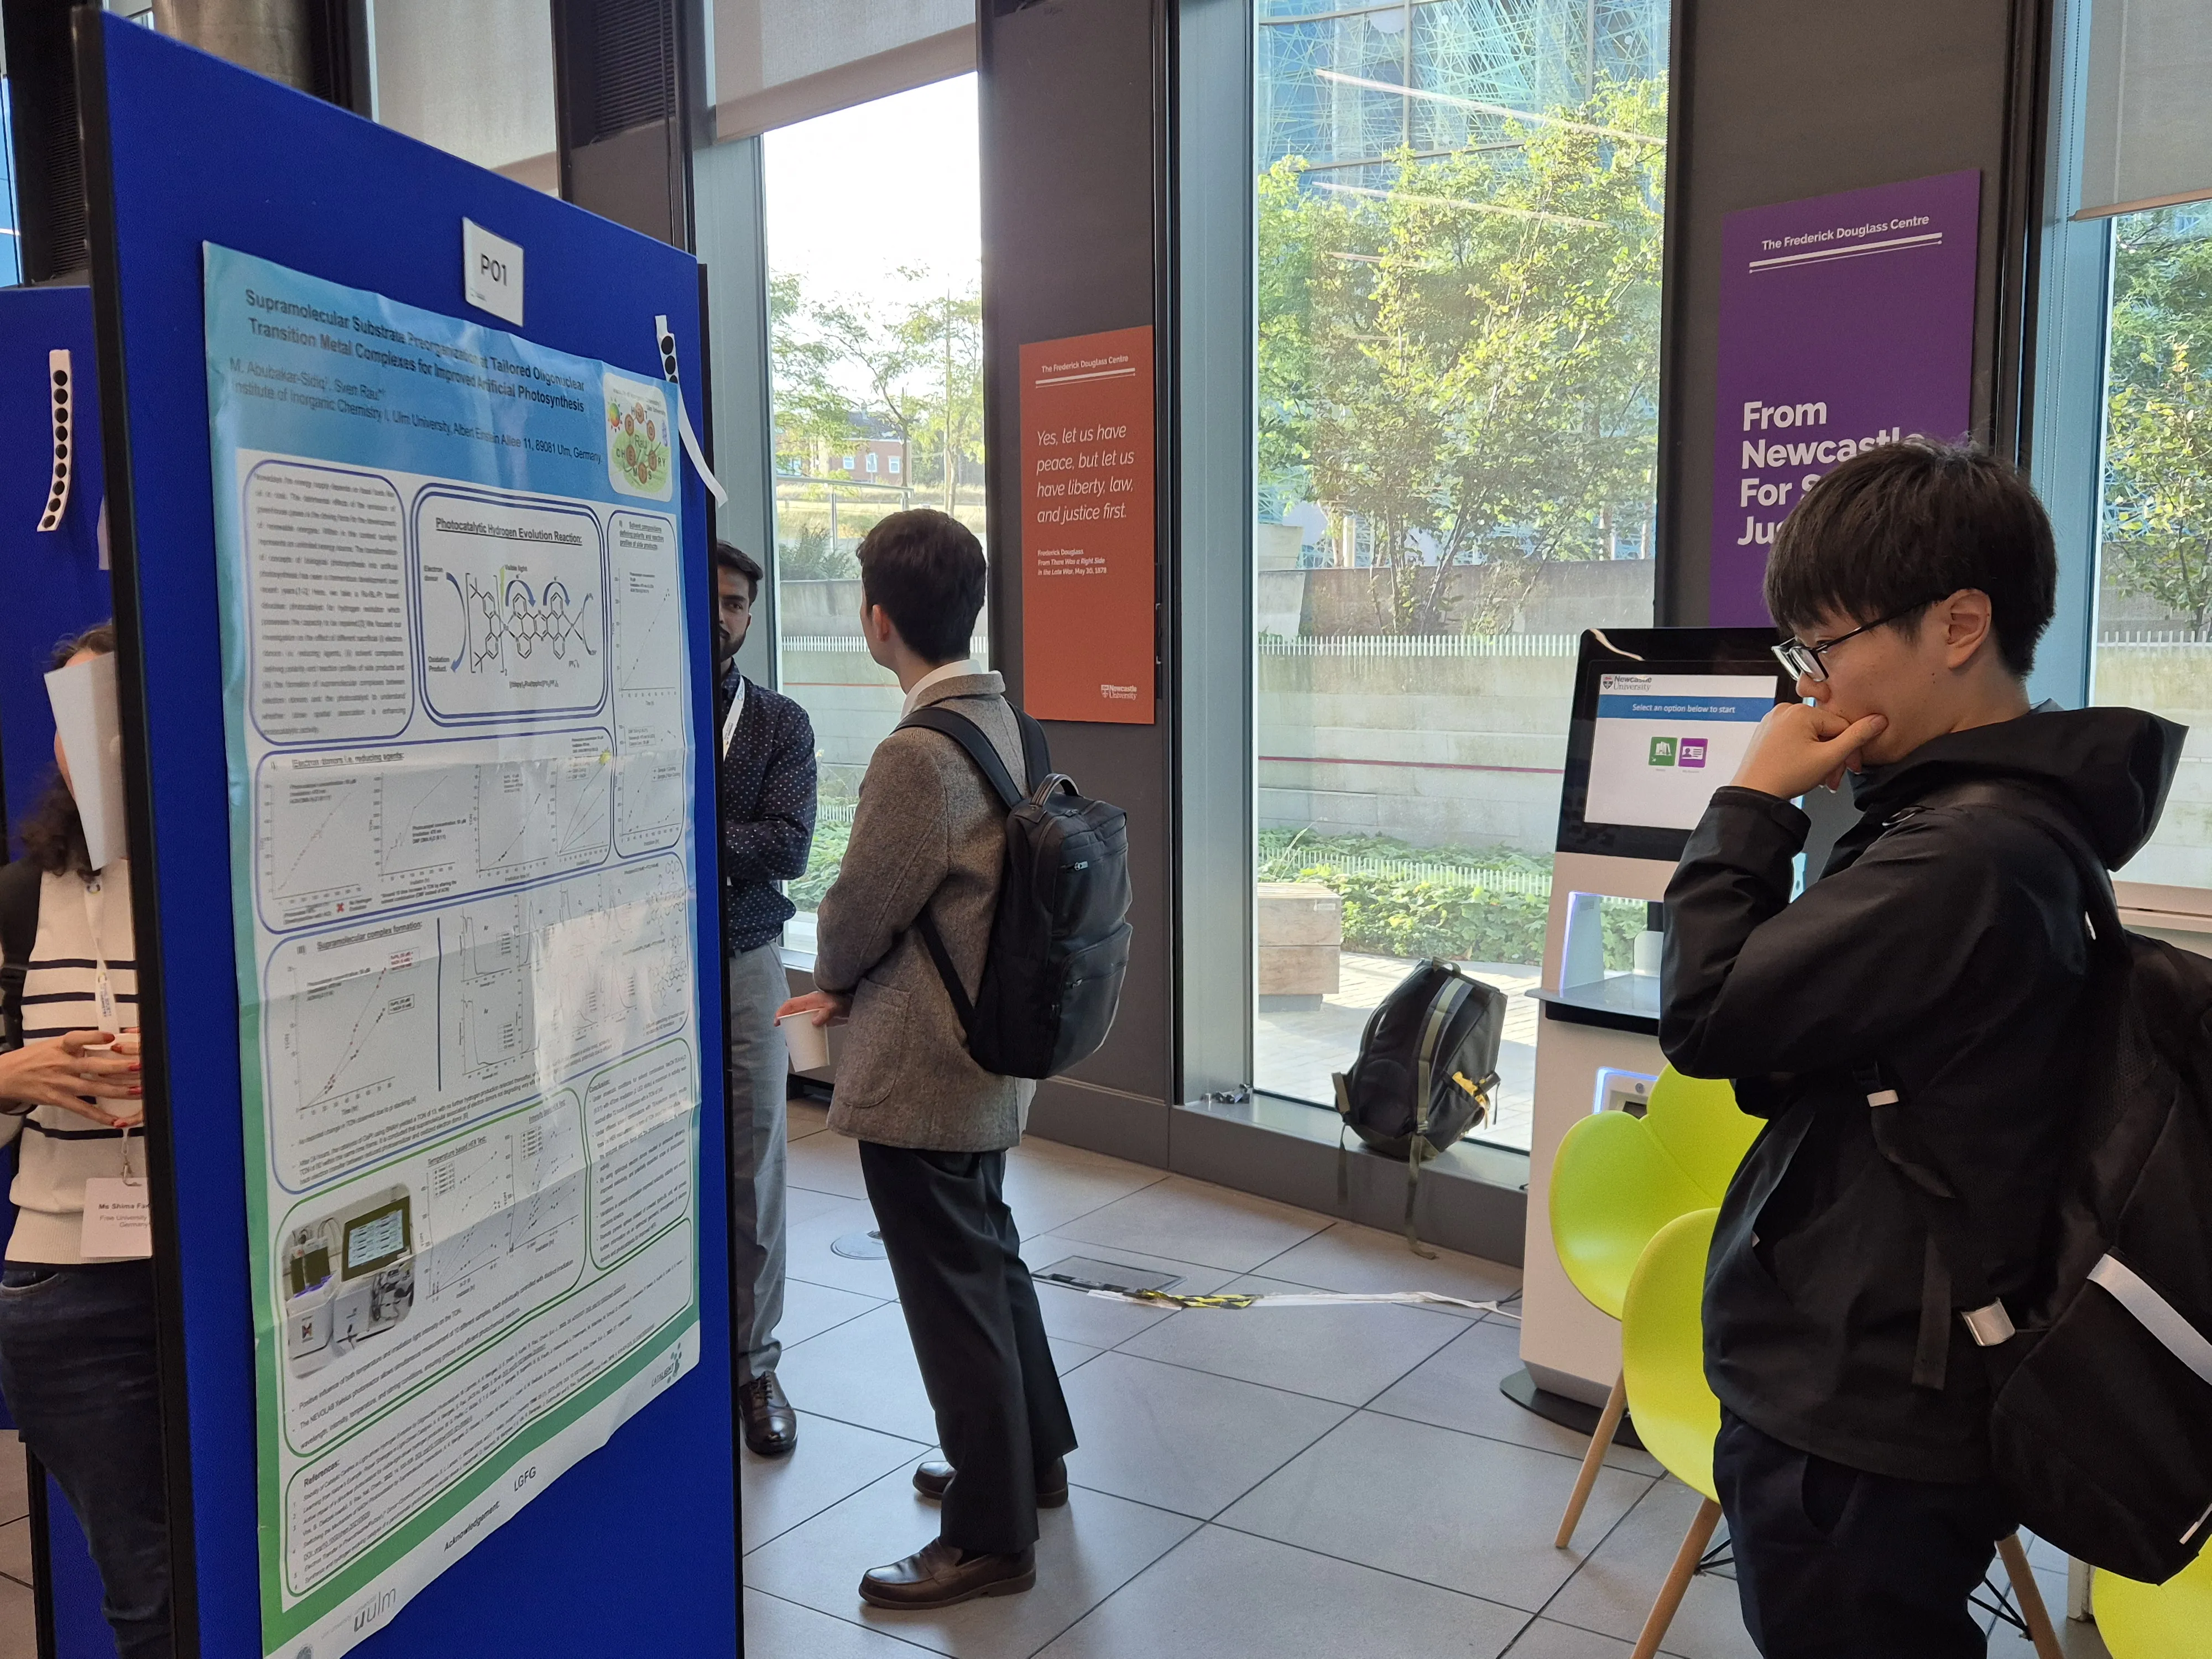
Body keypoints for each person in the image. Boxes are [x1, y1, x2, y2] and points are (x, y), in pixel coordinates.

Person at [1660, 441, 2183, 1656]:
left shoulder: (1960, 851)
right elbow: (1798, 1047)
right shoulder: (1998, 822)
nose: (1810, 695)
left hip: (1864, 1397)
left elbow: (1705, 1017)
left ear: (1957, 624)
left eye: (1824, 650)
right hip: (1898, 1359)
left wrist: (1751, 804)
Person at [779, 508, 1076, 1611]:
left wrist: (837, 974)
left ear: (877, 619)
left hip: (926, 1070)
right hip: (993, 1048)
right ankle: (1027, 1459)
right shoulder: (1010, 723)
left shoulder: (916, 754)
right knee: (989, 1258)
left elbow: (857, 914)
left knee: (949, 1293)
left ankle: (990, 1536)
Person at [0, 622, 170, 1657]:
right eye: (73, 720)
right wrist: (23, 1073)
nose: (91, 744)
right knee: (142, 1582)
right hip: (70, 1282)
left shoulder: (218, 886)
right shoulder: (19, 904)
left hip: (215, 1261)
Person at [712, 542, 817, 1458]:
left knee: (755, 1164)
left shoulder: (781, 724)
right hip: (631, 964)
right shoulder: (629, 704)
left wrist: (681, 827)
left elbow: (788, 848)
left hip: (746, 960)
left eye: (737, 604)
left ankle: (756, 1365)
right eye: (708, 598)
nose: (721, 616)